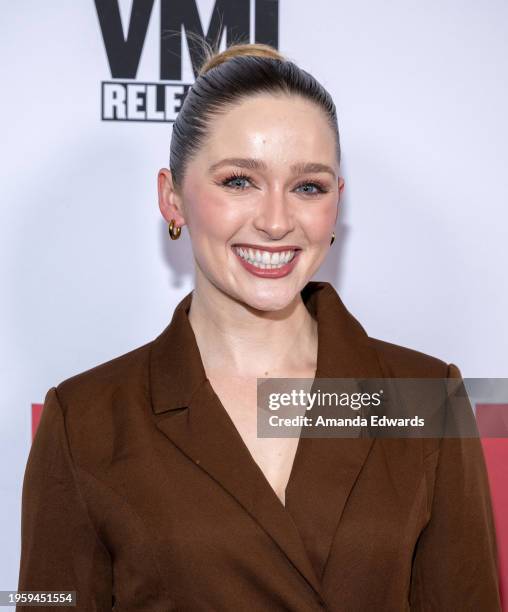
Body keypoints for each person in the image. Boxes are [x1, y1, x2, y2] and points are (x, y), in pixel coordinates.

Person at [17, 41, 501, 611]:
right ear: (172, 199)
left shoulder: (427, 397)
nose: (276, 221)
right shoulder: (86, 421)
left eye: (308, 187)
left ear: (336, 205)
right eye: (239, 181)